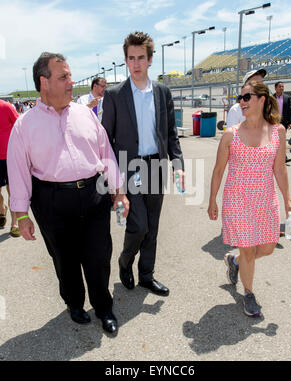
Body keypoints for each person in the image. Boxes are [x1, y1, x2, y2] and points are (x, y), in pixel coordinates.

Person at [7, 52, 129, 334]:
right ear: (44, 82)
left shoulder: (85, 114)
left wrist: (119, 191)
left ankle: (103, 307)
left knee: (99, 256)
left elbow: (106, 153)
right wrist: (21, 215)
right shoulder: (25, 125)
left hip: (93, 195)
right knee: (65, 258)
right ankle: (74, 303)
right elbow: (18, 171)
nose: (72, 82)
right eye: (63, 77)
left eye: (70, 76)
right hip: (51, 201)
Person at [102, 31, 184, 297]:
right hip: (130, 167)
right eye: (130, 58)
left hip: (156, 167)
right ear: (126, 60)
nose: (135, 63)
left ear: (150, 60)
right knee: (139, 225)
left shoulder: (162, 92)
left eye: (140, 58)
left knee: (153, 226)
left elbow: (171, 133)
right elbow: (106, 139)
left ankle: (146, 275)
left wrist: (177, 163)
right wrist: (114, 180)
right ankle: (126, 262)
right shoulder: (114, 95)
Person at [208, 81, 291, 317]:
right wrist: (212, 200)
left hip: (266, 200)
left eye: (247, 97)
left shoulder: (277, 131)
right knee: (249, 250)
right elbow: (218, 170)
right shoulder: (231, 134)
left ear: (262, 100)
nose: (242, 102)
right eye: (241, 97)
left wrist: (288, 200)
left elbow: (280, 168)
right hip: (237, 200)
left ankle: (235, 261)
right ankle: (248, 293)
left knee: (267, 248)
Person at [0, 99, 20, 237]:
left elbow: (19, 126)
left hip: (9, 156)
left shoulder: (6, 106)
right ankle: (2, 209)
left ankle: (14, 223)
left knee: (11, 189)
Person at [274, 81, 291, 163]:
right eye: (280, 86)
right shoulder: (271, 98)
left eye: (282, 86)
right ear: (275, 88)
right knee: (274, 140)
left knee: (282, 140)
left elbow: (289, 110)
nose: (282, 88)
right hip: (274, 122)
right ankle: (275, 156)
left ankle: (283, 157)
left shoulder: (287, 97)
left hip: (284, 122)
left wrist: (290, 121)